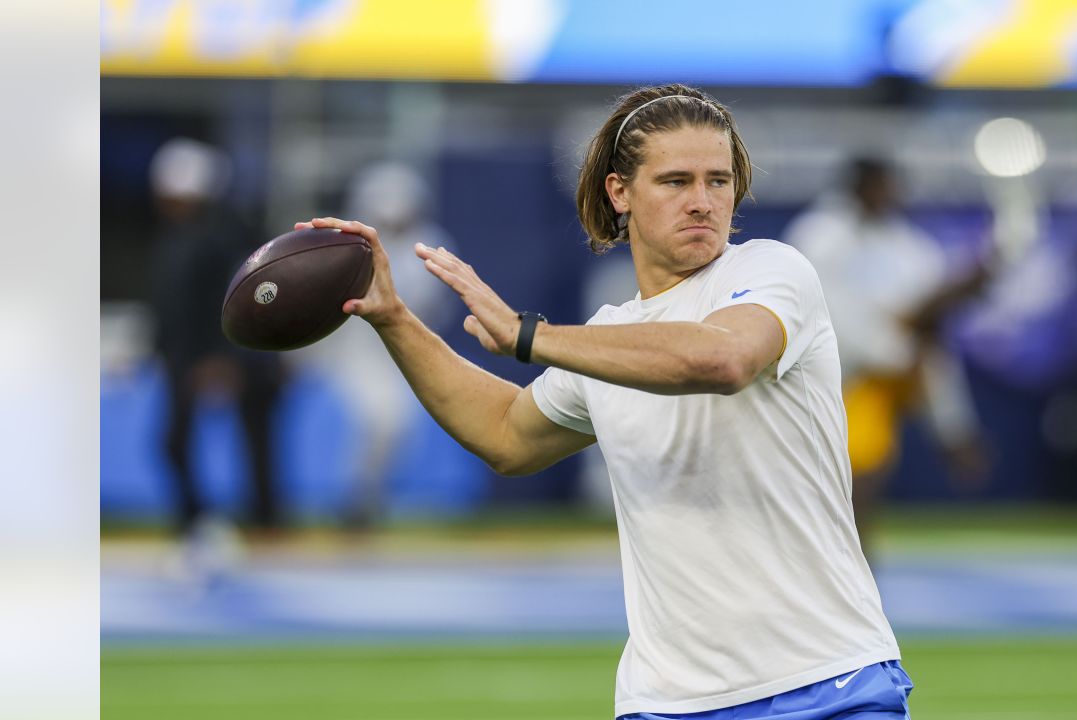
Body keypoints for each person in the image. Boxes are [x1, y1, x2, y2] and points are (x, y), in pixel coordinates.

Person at [297, 84, 911, 719]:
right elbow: (506, 434)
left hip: (827, 680)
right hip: (666, 701)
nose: (703, 202)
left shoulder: (774, 271)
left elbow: (724, 359)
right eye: (676, 181)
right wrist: (393, 319)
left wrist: (530, 337)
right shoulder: (607, 338)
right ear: (620, 192)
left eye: (718, 181)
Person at [783, 158, 987, 558]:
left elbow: (926, 333)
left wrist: (953, 426)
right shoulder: (819, 236)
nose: (889, 196)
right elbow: (825, 314)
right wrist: (894, 342)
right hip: (828, 372)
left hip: (879, 377)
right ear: (858, 187)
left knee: (865, 474)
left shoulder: (908, 245)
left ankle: (854, 568)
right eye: (881, 186)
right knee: (831, 481)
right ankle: (839, 567)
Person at [292, 161, 457, 528]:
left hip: (399, 352)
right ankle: (356, 500)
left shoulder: (428, 249)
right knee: (380, 420)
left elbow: (427, 309)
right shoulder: (347, 245)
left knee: (399, 427)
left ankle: (365, 497)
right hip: (357, 350)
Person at [148, 137, 286, 571]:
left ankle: (262, 521)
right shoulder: (175, 237)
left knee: (254, 435)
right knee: (174, 442)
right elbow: (171, 303)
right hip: (183, 355)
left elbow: (240, 298)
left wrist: (221, 355)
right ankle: (198, 521)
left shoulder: (226, 236)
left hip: (221, 354)